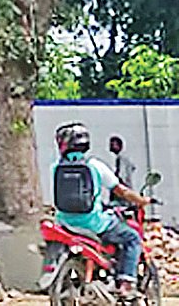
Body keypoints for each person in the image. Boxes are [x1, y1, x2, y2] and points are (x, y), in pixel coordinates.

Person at [53, 122, 152, 300]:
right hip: (93, 223)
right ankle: (126, 283)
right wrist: (141, 200)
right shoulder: (95, 166)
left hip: (64, 222)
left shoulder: (56, 167)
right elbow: (121, 191)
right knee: (132, 238)